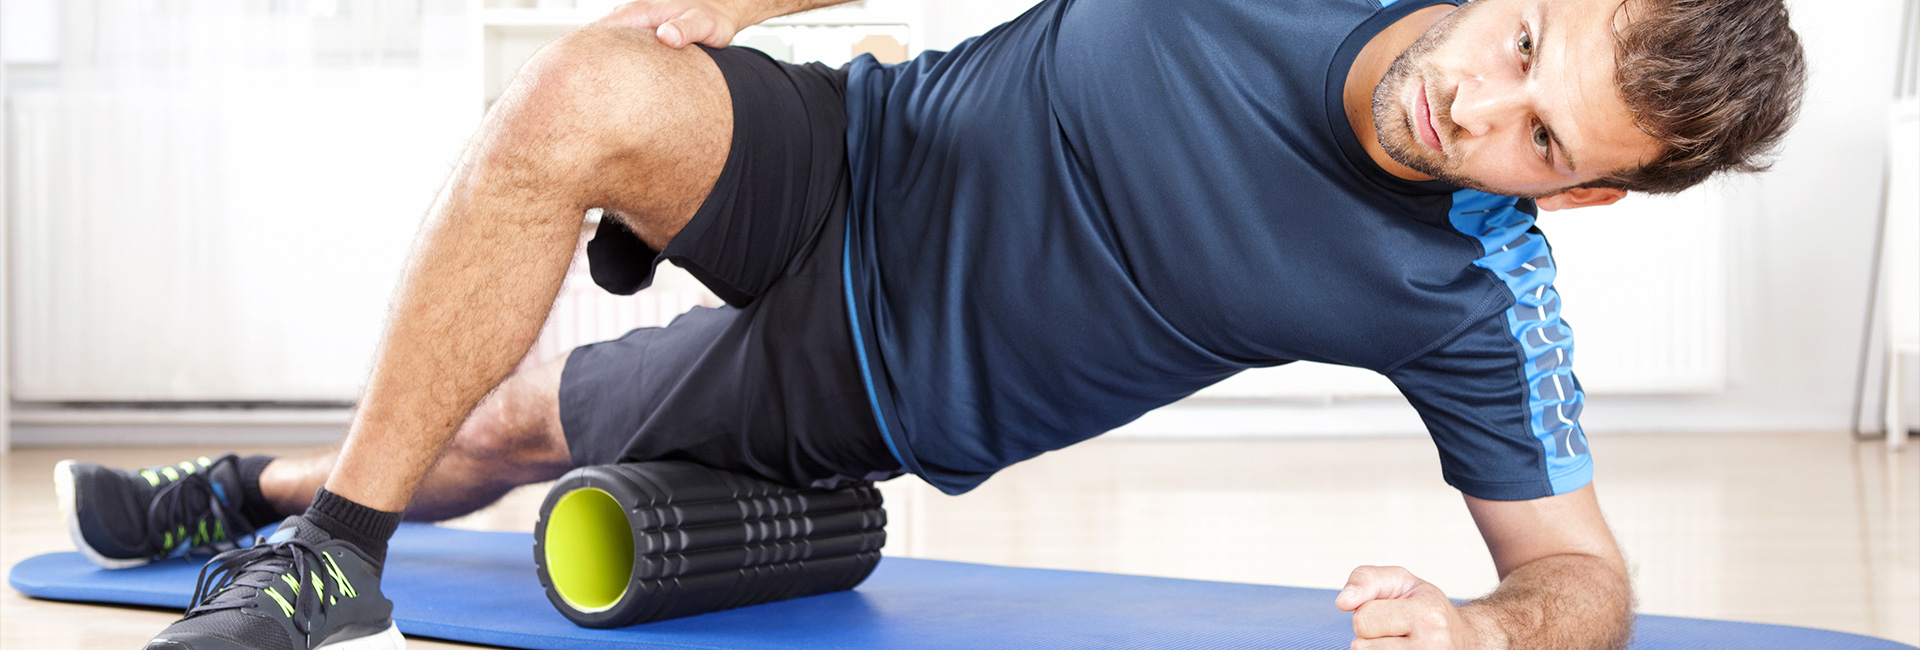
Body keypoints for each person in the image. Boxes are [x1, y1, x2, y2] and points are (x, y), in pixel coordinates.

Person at [55, 0, 1805, 648]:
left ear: (1583, 193)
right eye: (1519, 51)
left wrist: (1487, 633)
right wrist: (725, 10)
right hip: (860, 148)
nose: (1479, 116)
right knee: (588, 83)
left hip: (880, 373)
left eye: (1544, 138)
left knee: (520, 423)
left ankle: (253, 488)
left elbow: (1586, 576)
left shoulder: (1473, 286)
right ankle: (334, 556)